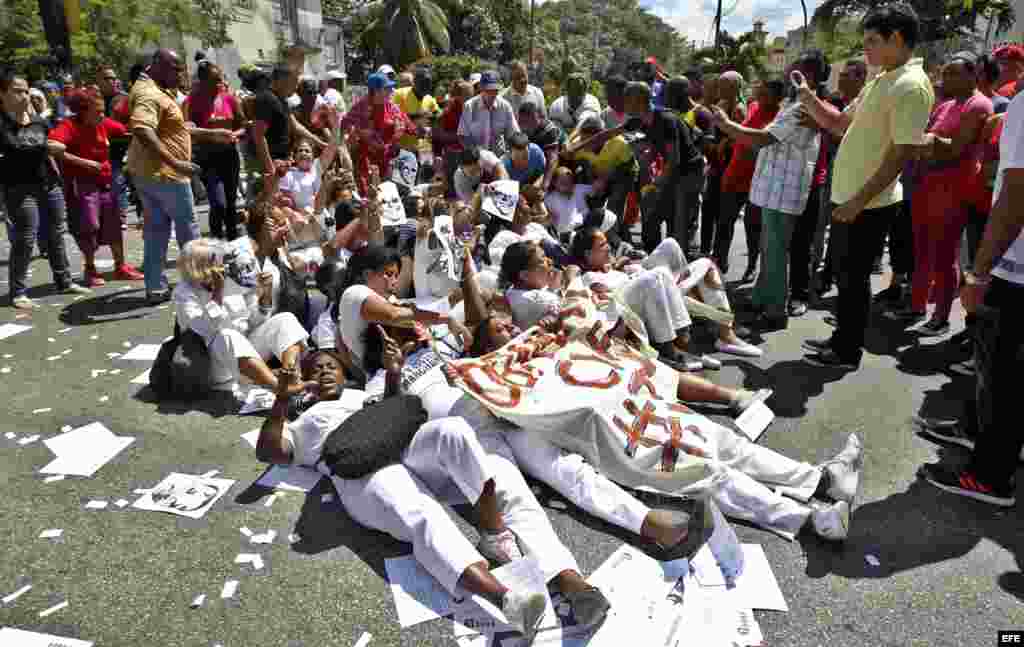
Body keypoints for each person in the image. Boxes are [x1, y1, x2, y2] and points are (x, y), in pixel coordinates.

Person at [457, 248, 857, 541]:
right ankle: (807, 520)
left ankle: (820, 479)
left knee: (723, 441)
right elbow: (562, 468)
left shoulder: (547, 343)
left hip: (644, 406)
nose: (512, 332)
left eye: (509, 327)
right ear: (486, 354)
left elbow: (589, 336)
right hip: (624, 440)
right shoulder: (506, 394)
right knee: (707, 472)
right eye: (499, 333)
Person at [255, 349, 608, 637]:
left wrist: (393, 374)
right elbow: (271, 452)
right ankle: (506, 600)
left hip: (403, 447)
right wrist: (281, 402)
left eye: (332, 365)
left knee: (452, 430)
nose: (326, 371)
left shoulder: (359, 395)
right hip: (363, 471)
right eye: (315, 369)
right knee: (422, 512)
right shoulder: (302, 423)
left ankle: (494, 532)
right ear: (303, 379)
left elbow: (392, 416)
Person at [798, 3, 934, 369]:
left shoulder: (910, 86)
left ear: (898, 39)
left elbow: (899, 157)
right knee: (845, 276)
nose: (867, 50)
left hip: (869, 205)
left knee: (854, 280)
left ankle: (846, 353)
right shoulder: (881, 79)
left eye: (873, 41)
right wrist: (810, 100)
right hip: (850, 200)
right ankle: (842, 339)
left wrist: (858, 201)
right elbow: (841, 125)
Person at [916, 89, 1024, 508]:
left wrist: (979, 271)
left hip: (1014, 266)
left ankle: (990, 476)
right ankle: (983, 436)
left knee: (1003, 372)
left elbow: (1016, 192)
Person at [715, 52, 825, 328]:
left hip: (783, 191)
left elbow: (764, 138)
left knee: (775, 251)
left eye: (795, 69)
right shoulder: (795, 104)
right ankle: (762, 297)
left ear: (807, 76)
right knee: (769, 247)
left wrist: (727, 126)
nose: (788, 73)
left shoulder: (803, 107)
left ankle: (775, 310)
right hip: (773, 189)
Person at [890, 52, 992, 336]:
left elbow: (955, 148)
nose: (946, 78)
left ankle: (942, 316)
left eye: (954, 73)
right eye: (945, 73)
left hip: (952, 192)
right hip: (926, 187)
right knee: (922, 250)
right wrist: (926, 144)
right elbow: (922, 139)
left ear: (973, 76)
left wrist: (930, 143)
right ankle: (916, 305)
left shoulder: (978, 104)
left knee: (945, 255)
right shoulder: (946, 105)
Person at [569, 229, 762, 360]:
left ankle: (722, 329)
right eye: (602, 245)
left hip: (661, 288)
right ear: (588, 254)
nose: (608, 247)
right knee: (659, 274)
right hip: (648, 302)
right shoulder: (589, 277)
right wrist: (628, 273)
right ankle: (689, 338)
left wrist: (623, 266)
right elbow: (611, 298)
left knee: (692, 256)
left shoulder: (611, 267)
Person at [173, 226, 309, 398]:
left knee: (285, 319)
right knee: (227, 335)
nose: (225, 266)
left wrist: (265, 296)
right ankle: (279, 388)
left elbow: (254, 322)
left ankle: (292, 377)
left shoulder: (231, 280)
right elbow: (205, 331)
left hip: (247, 358)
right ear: (201, 268)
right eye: (218, 263)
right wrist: (217, 293)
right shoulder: (184, 293)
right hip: (215, 364)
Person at [2, 70, 91, 309]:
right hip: (20, 188)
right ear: (3, 94)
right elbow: (17, 151)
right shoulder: (3, 124)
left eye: (25, 90)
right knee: (26, 238)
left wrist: (57, 161)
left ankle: (64, 281)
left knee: (56, 234)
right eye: (17, 91)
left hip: (49, 185)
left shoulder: (39, 121)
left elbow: (51, 149)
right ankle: (18, 291)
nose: (24, 95)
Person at [47, 88, 144, 286]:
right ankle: (90, 269)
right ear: (82, 111)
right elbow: (53, 146)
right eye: (97, 111)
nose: (102, 115)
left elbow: (125, 129)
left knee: (114, 223)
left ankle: (120, 266)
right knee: (89, 226)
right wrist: (84, 162)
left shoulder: (103, 123)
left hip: (105, 182)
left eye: (103, 111)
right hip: (82, 184)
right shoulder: (68, 126)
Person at [333, 244, 471, 377]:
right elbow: (393, 315)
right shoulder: (354, 292)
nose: (395, 281)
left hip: (421, 359)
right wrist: (447, 319)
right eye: (389, 274)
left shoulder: (389, 298)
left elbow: (411, 321)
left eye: (396, 276)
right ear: (367, 274)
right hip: (395, 374)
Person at [622, 81, 704, 254]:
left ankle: (678, 265)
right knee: (652, 217)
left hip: (688, 173)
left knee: (678, 224)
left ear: (638, 101)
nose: (624, 103)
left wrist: (656, 184)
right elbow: (656, 146)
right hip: (673, 173)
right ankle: (655, 259)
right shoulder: (645, 121)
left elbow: (673, 159)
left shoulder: (666, 119)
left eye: (627, 99)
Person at [715, 79, 784, 280]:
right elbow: (741, 129)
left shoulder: (779, 118)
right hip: (734, 176)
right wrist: (728, 139)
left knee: (752, 227)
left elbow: (760, 142)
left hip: (757, 181)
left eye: (765, 94)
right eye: (759, 92)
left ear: (777, 97)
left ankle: (752, 265)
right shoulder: (753, 107)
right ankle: (719, 263)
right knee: (724, 223)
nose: (760, 97)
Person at [183, 61, 247, 241]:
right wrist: (211, 136)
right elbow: (188, 130)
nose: (219, 82)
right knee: (219, 204)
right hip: (208, 158)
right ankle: (216, 242)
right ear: (202, 81)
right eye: (214, 79)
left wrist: (235, 134)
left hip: (230, 156)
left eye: (220, 78)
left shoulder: (229, 98)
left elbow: (243, 125)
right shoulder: (192, 101)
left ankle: (234, 244)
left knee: (231, 204)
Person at [251, 66, 328, 194]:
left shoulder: (282, 100)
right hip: (271, 162)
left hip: (283, 162)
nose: (296, 87)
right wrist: (270, 168)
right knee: (270, 205)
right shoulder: (266, 99)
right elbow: (258, 135)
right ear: (282, 80)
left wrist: (320, 143)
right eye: (294, 82)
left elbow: (296, 126)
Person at [340, 72, 417, 195]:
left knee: (388, 194)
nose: (391, 91)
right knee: (368, 194)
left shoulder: (391, 107)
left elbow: (411, 128)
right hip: (365, 160)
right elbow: (343, 125)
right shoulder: (361, 107)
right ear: (376, 91)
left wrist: (412, 129)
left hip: (387, 160)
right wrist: (350, 137)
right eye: (386, 88)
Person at [560, 113, 636, 229]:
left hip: (622, 175)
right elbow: (566, 160)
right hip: (595, 175)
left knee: (615, 199)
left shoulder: (619, 143)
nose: (586, 143)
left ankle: (613, 228)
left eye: (589, 140)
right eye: (583, 138)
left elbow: (629, 167)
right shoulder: (577, 145)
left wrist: (605, 179)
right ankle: (587, 222)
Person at [457, 71, 520, 156]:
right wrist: (476, 152)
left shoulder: (505, 106)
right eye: (489, 90)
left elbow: (514, 134)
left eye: (495, 90)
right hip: (476, 158)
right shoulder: (469, 106)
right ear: (481, 88)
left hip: (499, 157)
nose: (492, 94)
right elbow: (462, 136)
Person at [516, 100, 565, 190]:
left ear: (537, 117)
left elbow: (553, 159)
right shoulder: (521, 130)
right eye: (523, 122)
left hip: (559, 159)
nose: (527, 126)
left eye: (532, 121)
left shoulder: (549, 130)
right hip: (540, 161)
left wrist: (545, 183)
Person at [393, 67, 440, 156]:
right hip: (403, 149)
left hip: (424, 148)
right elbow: (394, 117)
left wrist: (431, 122)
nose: (426, 86)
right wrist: (418, 117)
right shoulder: (400, 94)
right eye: (423, 82)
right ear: (414, 82)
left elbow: (438, 116)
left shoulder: (430, 99)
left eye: (428, 83)